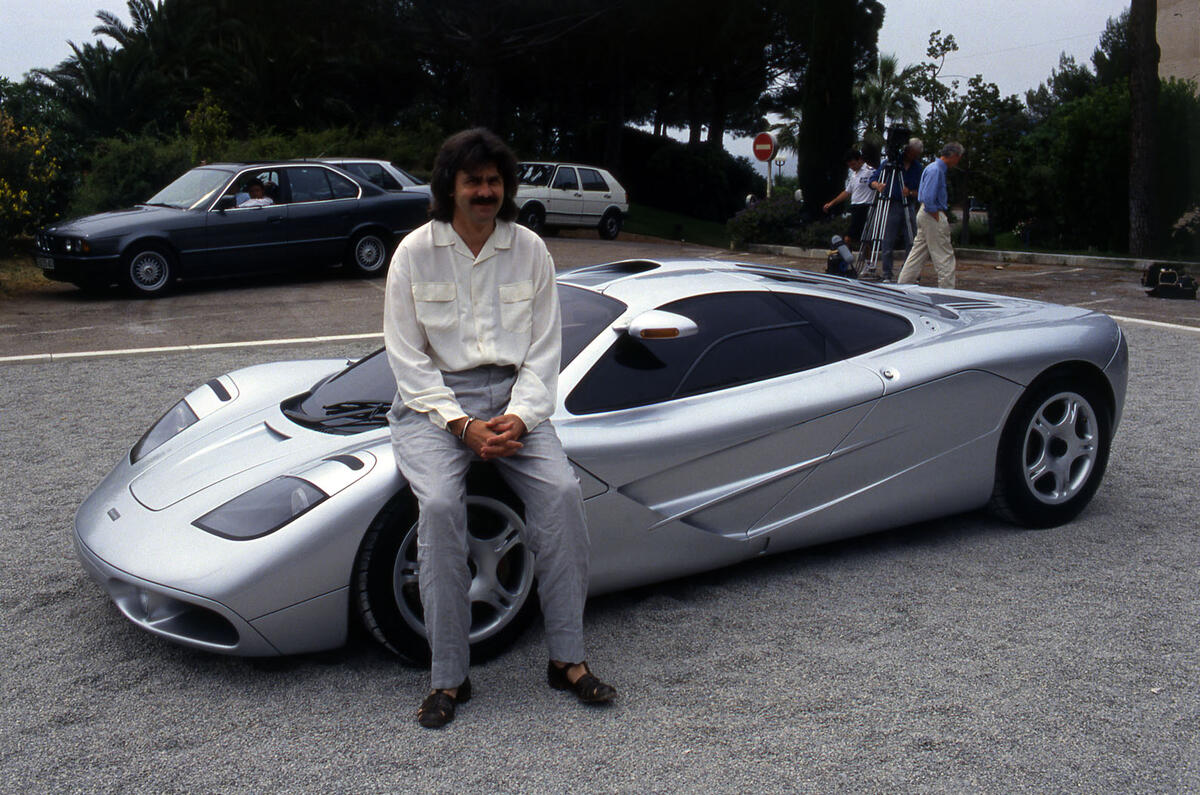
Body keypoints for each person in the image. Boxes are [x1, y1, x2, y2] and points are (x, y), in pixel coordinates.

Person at [383, 128, 616, 729]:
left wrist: (519, 415)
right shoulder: (413, 252)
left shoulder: (531, 249)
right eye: (473, 181)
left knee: (563, 496)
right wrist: (462, 426)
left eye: (493, 181)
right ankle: (449, 678)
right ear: (449, 188)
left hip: (516, 400)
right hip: (435, 406)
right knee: (436, 505)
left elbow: (545, 351)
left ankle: (567, 659)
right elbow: (407, 360)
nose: (485, 191)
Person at [896, 142, 965, 289]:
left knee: (917, 253)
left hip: (925, 213)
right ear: (953, 156)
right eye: (958, 157)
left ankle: (903, 284)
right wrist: (936, 215)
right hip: (931, 213)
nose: (958, 160)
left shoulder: (933, 168)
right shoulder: (936, 170)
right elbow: (928, 197)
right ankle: (947, 291)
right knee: (944, 255)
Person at [866, 138, 924, 281]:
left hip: (908, 204)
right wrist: (877, 185)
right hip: (891, 204)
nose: (914, 156)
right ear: (907, 151)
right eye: (913, 153)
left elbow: (922, 191)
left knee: (911, 240)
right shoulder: (890, 164)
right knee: (888, 240)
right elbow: (872, 180)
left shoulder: (917, 168)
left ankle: (908, 274)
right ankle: (887, 274)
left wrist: (910, 193)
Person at [822, 148, 875, 249]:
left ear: (860, 160)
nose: (852, 167)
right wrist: (832, 203)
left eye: (853, 164)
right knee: (861, 239)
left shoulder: (870, 171)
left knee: (852, 238)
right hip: (855, 207)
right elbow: (847, 192)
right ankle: (857, 261)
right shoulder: (854, 175)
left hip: (865, 206)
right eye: (850, 166)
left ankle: (857, 261)